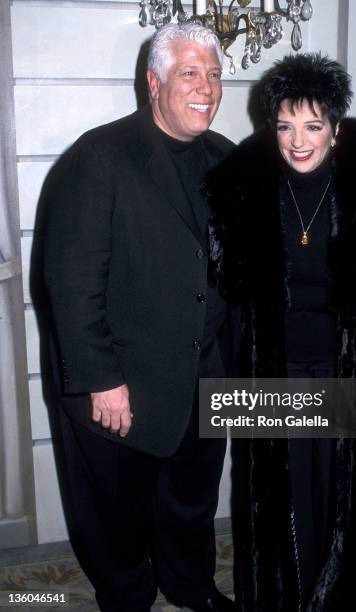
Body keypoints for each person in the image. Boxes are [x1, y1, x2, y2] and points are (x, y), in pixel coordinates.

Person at [206, 53, 356, 611]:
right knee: (282, 513)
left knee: (346, 511)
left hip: (348, 375)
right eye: (286, 126)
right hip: (278, 374)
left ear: (336, 130)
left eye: (313, 126)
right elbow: (225, 281)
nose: (299, 141)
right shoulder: (248, 192)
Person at [42, 23, 235, 612]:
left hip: (204, 372)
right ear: (154, 83)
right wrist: (101, 379)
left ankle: (188, 583)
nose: (208, 87)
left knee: (191, 499)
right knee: (116, 512)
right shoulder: (99, 157)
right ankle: (126, 597)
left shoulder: (225, 156)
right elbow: (70, 281)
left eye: (214, 74)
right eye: (190, 73)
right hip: (121, 382)